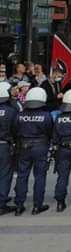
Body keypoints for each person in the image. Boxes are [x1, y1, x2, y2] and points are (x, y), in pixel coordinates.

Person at [14, 87, 53, 215]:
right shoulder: (46, 116)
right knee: (40, 176)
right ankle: (37, 205)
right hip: (40, 146)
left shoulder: (19, 115)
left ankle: (19, 205)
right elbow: (50, 132)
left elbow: (15, 131)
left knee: (22, 175)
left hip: (23, 146)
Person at [0, 81, 18, 215]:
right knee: (5, 174)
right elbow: (15, 129)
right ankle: (2, 202)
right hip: (4, 145)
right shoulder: (11, 111)